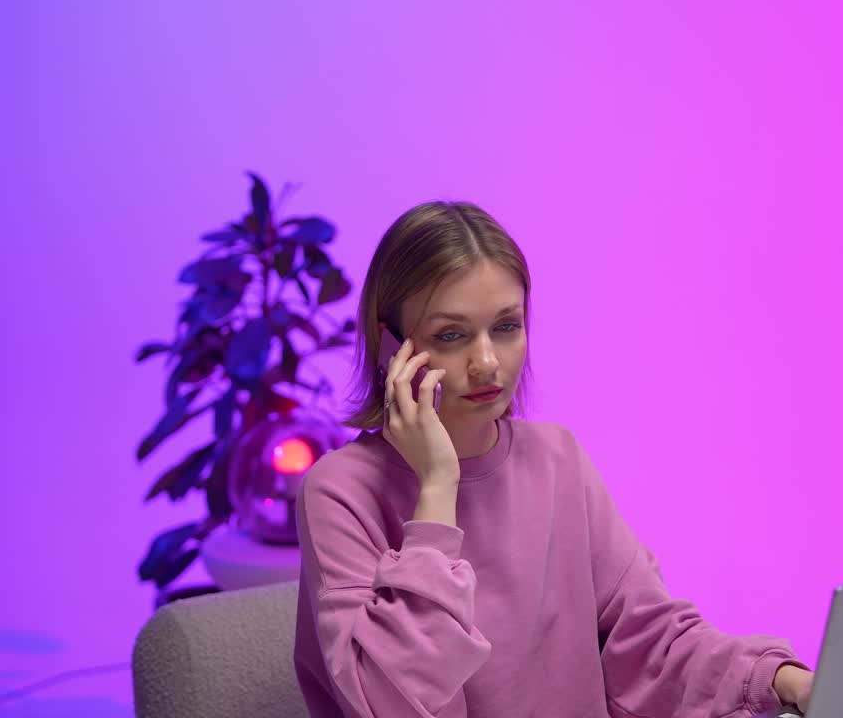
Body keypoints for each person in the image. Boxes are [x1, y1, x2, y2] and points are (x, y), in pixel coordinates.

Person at [293, 201, 815, 717]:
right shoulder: (338, 492)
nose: (487, 362)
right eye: (450, 335)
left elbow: (650, 639)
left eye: (506, 326)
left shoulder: (557, 459)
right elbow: (392, 703)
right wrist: (436, 486)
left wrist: (786, 679)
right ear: (389, 349)